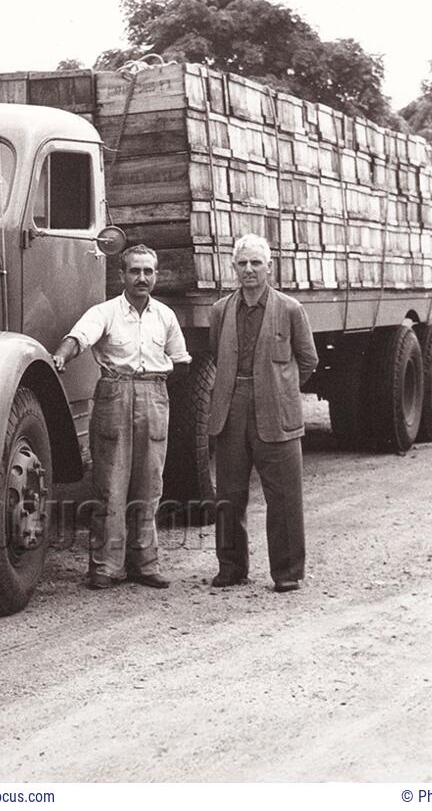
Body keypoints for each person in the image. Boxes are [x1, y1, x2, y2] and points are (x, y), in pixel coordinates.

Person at [52, 245, 190, 590]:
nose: (141, 278)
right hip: (115, 393)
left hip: (154, 395)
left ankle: (146, 563)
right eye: (134, 271)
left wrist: (157, 390)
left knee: (150, 482)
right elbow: (78, 337)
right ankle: (106, 566)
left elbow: (181, 359)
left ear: (156, 275)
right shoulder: (105, 312)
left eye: (148, 271)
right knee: (110, 483)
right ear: (122, 276)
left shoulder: (165, 316)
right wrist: (60, 356)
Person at [206, 234, 318, 593]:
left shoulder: (289, 309)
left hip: (277, 411)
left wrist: (281, 388)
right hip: (231, 408)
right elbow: (216, 354)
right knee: (229, 494)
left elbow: (309, 359)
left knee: (284, 496)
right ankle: (231, 568)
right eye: (243, 263)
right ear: (233, 268)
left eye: (256, 263)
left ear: (270, 267)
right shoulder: (221, 310)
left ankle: (287, 573)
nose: (249, 270)